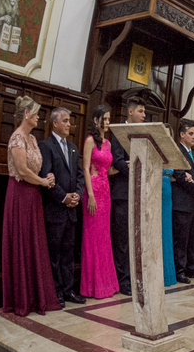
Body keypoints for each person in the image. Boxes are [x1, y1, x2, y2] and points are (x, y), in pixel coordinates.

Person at [3, 96, 63, 316]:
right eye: (36, 113)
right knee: (22, 242)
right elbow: (22, 171)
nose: (39, 117)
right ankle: (22, 298)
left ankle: (36, 296)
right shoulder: (17, 138)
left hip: (33, 195)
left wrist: (48, 176)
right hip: (20, 194)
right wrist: (43, 182)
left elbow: (36, 168)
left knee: (34, 243)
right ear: (26, 114)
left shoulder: (33, 139)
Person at [38, 107, 85, 305]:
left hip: (71, 210)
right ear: (55, 123)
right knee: (54, 254)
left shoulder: (73, 147)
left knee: (68, 253)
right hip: (55, 210)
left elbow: (80, 175)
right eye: (65, 121)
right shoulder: (46, 146)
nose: (69, 124)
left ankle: (69, 290)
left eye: (69, 121)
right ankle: (56, 291)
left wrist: (77, 195)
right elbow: (46, 176)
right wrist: (63, 197)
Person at [79, 105, 119, 299]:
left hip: (106, 190)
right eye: (105, 119)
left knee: (104, 237)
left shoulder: (108, 143)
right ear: (96, 120)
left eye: (109, 119)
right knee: (93, 237)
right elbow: (86, 168)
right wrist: (90, 195)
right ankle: (91, 286)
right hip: (93, 190)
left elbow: (107, 170)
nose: (108, 122)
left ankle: (105, 284)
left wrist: (125, 167)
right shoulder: (89, 141)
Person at [108, 97, 144, 296]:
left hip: (137, 193)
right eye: (140, 111)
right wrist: (135, 169)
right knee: (122, 240)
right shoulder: (119, 132)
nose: (144, 115)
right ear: (130, 112)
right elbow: (118, 161)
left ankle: (132, 277)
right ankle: (123, 280)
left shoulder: (142, 134)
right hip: (122, 193)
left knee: (134, 239)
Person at [171, 120, 194, 283]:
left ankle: (193, 268)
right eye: (191, 134)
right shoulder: (177, 152)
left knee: (193, 238)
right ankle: (180, 270)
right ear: (182, 134)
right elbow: (180, 176)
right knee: (181, 239)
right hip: (182, 202)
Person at [161, 164, 176, 287]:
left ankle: (168, 273)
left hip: (167, 194)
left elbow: (173, 176)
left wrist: (186, 177)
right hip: (156, 192)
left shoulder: (169, 158)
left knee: (167, 233)